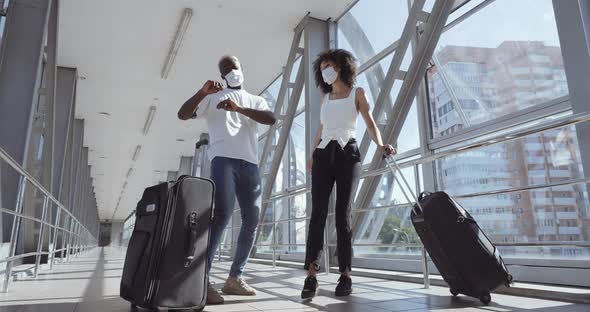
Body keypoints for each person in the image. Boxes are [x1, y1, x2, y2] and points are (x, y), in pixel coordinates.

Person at [178, 55, 276, 305]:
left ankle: (234, 279)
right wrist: (202, 92)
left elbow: (271, 119)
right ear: (221, 75)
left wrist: (238, 109)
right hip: (223, 160)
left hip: (250, 164)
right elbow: (183, 114)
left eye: (233, 67)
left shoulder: (255, 99)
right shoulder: (212, 98)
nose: (231, 71)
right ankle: (202, 279)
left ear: (242, 69)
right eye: (225, 69)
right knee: (221, 215)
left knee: (252, 219)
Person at [301, 49, 396, 299]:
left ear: (341, 66)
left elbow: (369, 122)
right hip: (323, 156)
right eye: (322, 68)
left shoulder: (358, 93)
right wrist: (312, 155)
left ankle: (345, 275)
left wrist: (381, 144)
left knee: (343, 214)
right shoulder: (326, 98)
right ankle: (311, 275)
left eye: (328, 65)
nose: (325, 71)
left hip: (347, 155)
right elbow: (320, 130)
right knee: (317, 214)